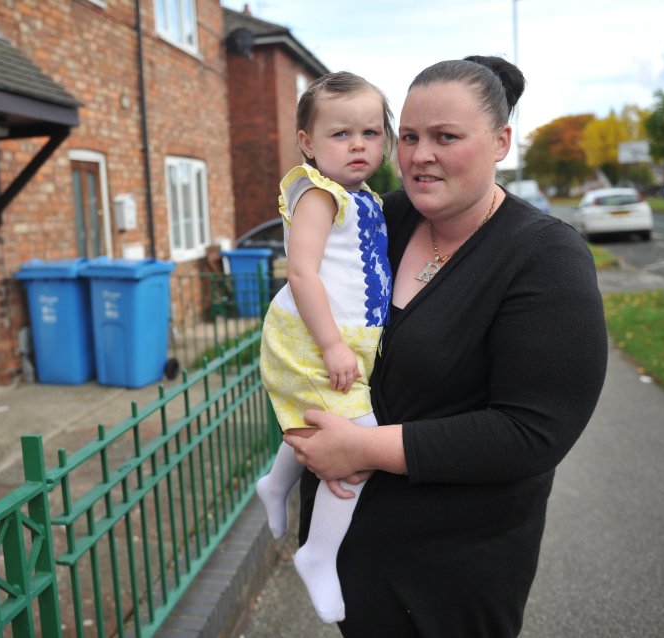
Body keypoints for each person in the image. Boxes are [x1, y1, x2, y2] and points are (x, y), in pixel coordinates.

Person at [283, 56, 609, 636]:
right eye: (407, 136)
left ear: (502, 141)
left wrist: (362, 448)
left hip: (452, 574)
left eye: (445, 137)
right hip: (353, 556)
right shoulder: (387, 219)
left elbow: (533, 432)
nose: (418, 155)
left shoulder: (545, 258)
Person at [255, 71, 396, 624]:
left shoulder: (368, 199)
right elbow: (302, 272)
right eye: (340, 134)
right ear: (308, 143)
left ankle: (276, 482)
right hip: (309, 338)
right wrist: (333, 344)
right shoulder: (319, 194)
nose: (358, 144)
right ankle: (318, 553)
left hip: (336, 340)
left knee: (324, 424)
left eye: (370, 132)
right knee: (358, 437)